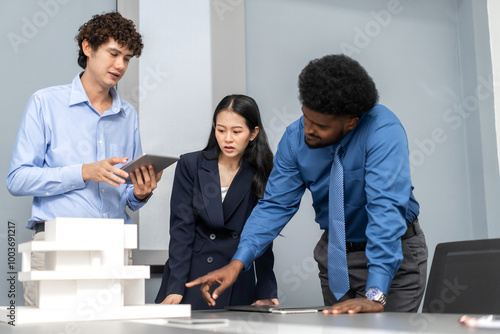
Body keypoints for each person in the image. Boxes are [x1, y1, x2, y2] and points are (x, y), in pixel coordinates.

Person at [186, 54, 428, 314]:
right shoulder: (295, 137)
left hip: (393, 255)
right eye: (306, 118)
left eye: (320, 125)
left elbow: (386, 210)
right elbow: (276, 205)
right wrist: (237, 262)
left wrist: (376, 292)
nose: (308, 130)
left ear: (350, 123)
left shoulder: (383, 132)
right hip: (336, 259)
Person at [6, 12, 162, 306]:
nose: (120, 65)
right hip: (58, 245)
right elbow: (17, 179)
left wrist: (140, 193)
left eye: (127, 58)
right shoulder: (45, 103)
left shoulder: (128, 115)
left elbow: (127, 194)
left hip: (116, 247)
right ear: (88, 47)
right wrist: (83, 172)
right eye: (114, 53)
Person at [155, 94, 278, 310]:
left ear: (253, 133)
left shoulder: (262, 170)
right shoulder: (190, 164)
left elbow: (263, 235)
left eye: (236, 131)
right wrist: (175, 287)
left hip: (235, 276)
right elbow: (181, 231)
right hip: (191, 276)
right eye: (221, 130)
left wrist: (267, 289)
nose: (227, 138)